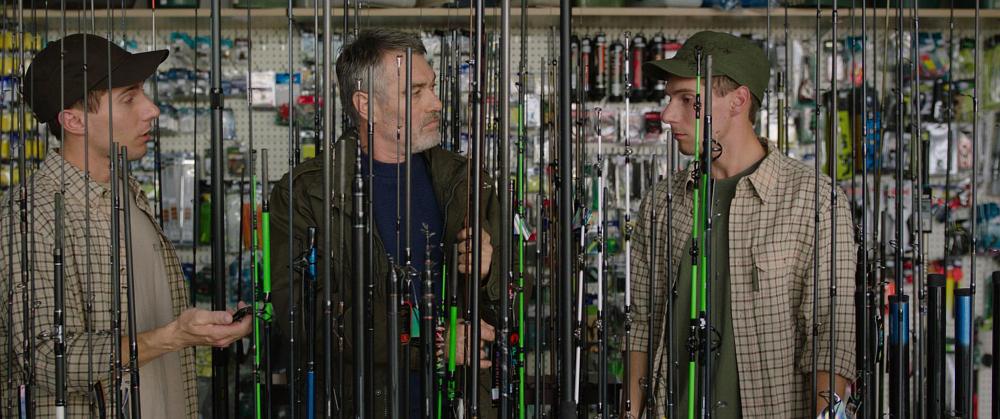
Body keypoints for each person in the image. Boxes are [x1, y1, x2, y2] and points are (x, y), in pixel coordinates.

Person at [0, 33, 251, 418]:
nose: (152, 109)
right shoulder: (30, 214)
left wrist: (200, 329)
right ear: (73, 120)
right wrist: (173, 336)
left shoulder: (130, 194)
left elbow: (152, 317)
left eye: (143, 93)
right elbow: (47, 358)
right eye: (129, 98)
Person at [269, 28, 502, 417]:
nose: (437, 103)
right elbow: (302, 317)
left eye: (432, 87)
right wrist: (433, 343)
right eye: (415, 92)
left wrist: (487, 273)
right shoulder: (306, 193)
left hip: (460, 402)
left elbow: (513, 298)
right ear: (366, 104)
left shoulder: (466, 182)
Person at [625, 31, 857, 418]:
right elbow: (641, 324)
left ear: (738, 100)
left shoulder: (815, 200)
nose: (667, 115)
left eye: (687, 100)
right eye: (670, 99)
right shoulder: (660, 203)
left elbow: (832, 332)